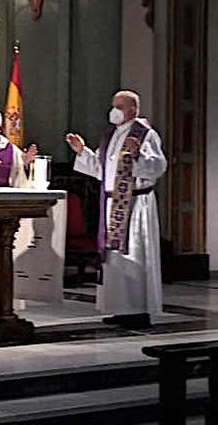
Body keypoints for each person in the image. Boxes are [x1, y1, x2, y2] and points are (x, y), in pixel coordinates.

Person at [65, 90, 167, 329]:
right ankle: (120, 309)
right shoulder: (110, 135)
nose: (114, 110)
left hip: (135, 205)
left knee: (135, 254)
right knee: (115, 259)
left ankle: (138, 311)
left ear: (133, 109)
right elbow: (102, 171)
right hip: (112, 204)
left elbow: (157, 166)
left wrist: (137, 155)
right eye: (114, 105)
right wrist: (82, 152)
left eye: (120, 106)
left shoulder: (145, 134)